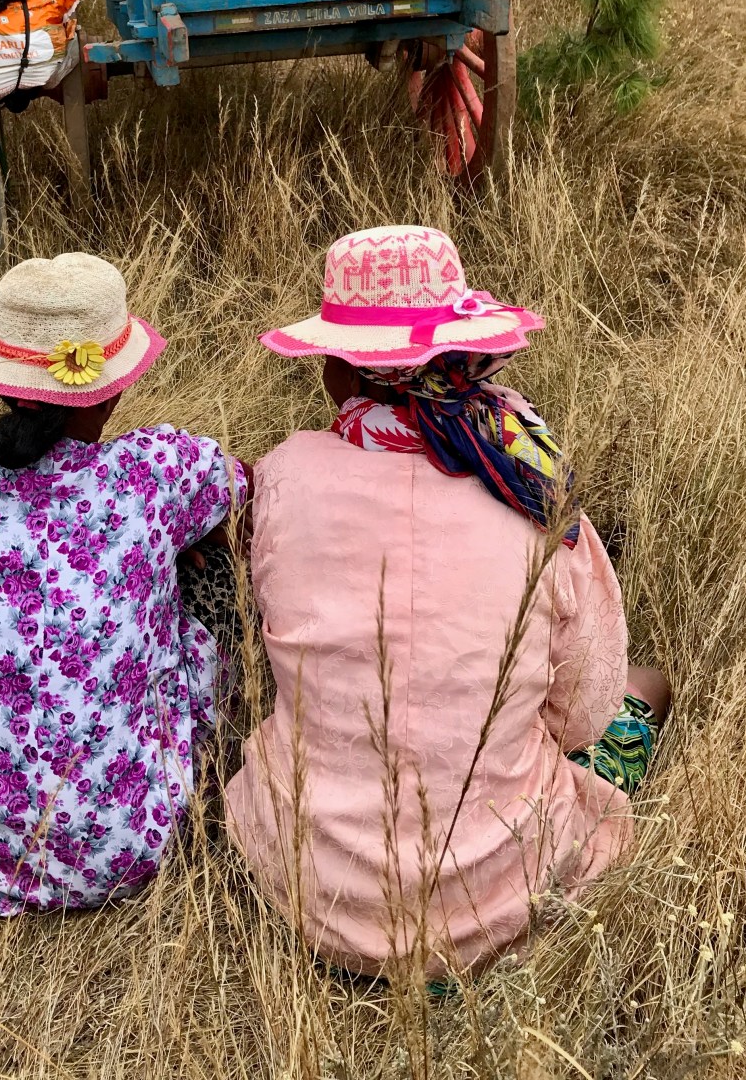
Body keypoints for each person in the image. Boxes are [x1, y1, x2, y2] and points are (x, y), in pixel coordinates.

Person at [227, 225, 670, 981]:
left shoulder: (281, 479)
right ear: (464, 357)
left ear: (338, 367)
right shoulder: (531, 489)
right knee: (649, 686)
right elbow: (585, 713)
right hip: (501, 899)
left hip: (311, 889)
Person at [0, 254, 248, 916]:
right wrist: (185, 542)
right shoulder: (155, 475)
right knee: (207, 599)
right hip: (119, 850)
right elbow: (244, 489)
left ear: (1, 385)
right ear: (113, 387)